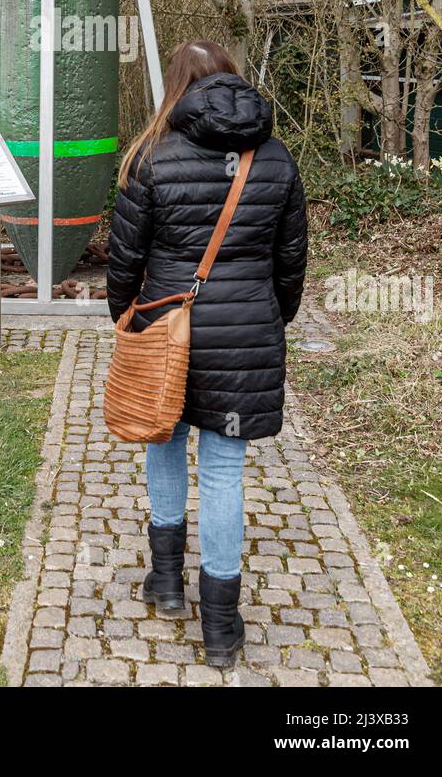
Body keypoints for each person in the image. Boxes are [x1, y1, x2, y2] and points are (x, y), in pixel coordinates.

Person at [106, 41, 308, 668]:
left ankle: (166, 583)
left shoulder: (151, 156)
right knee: (223, 474)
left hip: (168, 325)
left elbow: (124, 261)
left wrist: (130, 321)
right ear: (233, 80)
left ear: (178, 87)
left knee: (161, 439)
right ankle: (221, 626)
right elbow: (291, 261)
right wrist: (267, 320)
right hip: (245, 333)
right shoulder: (275, 157)